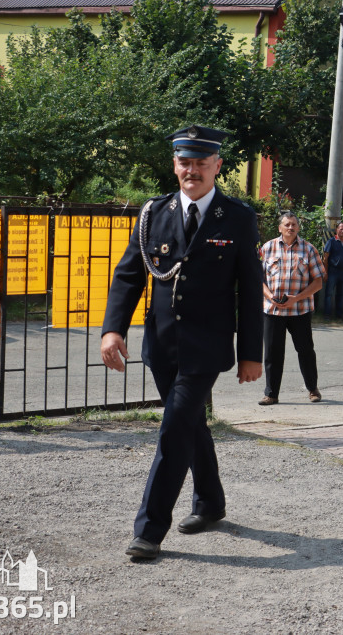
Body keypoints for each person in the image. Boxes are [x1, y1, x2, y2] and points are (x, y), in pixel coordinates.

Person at [101, 124, 263, 560]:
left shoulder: (239, 218)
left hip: (205, 348)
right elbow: (130, 274)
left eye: (200, 163)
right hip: (162, 343)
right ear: (175, 164)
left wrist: (251, 353)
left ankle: (149, 530)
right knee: (190, 424)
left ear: (217, 166)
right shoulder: (154, 213)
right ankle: (210, 504)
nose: (192, 170)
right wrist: (112, 329)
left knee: (174, 428)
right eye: (184, 162)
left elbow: (250, 289)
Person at [259, 211, 325, 405]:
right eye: (287, 224)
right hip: (273, 310)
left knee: (305, 351)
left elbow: (319, 281)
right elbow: (258, 279)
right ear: (280, 227)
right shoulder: (267, 248)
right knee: (272, 353)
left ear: (298, 227)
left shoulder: (309, 249)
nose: (290, 227)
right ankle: (271, 394)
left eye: (294, 224)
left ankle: (313, 389)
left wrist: (297, 298)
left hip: (300, 309)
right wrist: (270, 296)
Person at [322, 222, 343, 320]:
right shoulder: (331, 241)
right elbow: (325, 257)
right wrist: (325, 272)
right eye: (341, 229)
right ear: (337, 230)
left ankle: (340, 315)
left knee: (342, 293)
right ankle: (327, 315)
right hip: (332, 271)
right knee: (329, 294)